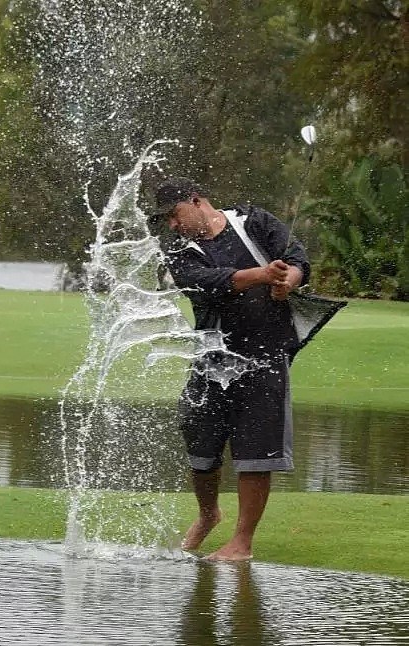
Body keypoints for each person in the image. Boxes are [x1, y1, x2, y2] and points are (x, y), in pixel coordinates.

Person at [151, 177, 312, 561]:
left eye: (174, 215)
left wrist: (287, 280)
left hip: (266, 354)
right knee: (199, 444)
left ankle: (242, 542)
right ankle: (209, 515)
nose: (172, 225)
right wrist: (264, 275)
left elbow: (298, 262)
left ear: (195, 200)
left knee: (257, 450)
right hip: (211, 358)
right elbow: (213, 283)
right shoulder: (178, 252)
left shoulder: (254, 221)